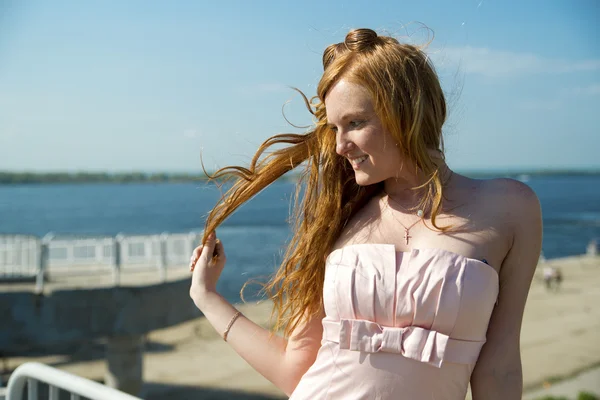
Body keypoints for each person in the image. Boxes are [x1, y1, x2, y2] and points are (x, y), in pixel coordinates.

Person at [188, 28, 542, 399]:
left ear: (406, 109)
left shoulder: (509, 207)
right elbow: (294, 369)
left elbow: (499, 366)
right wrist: (206, 295)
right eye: (335, 128)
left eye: (355, 123)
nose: (340, 146)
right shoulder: (341, 222)